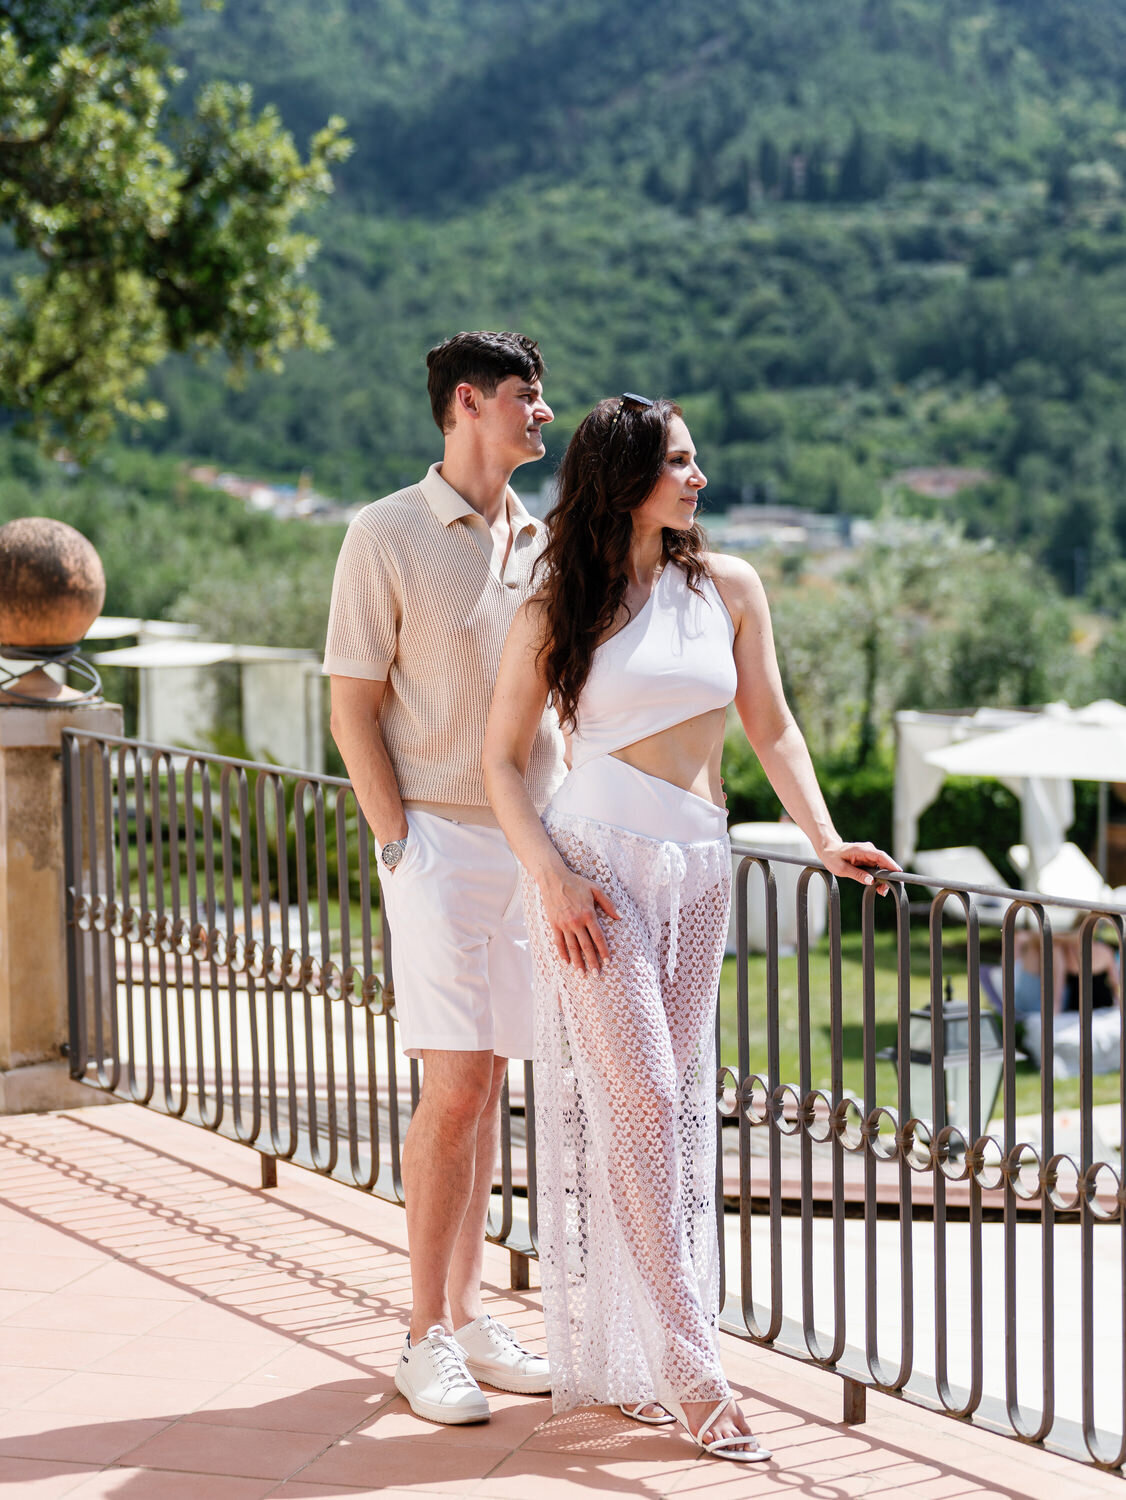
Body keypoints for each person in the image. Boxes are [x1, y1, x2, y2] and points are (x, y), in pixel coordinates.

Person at [483, 394, 898, 1463]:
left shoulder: (728, 586)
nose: (698, 476)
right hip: (593, 871)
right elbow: (499, 765)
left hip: (700, 866)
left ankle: (641, 1350)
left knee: (672, 1114)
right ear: (624, 475)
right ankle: (690, 1363)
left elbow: (770, 722)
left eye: (695, 458)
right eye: (677, 461)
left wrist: (821, 835)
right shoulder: (557, 604)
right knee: (647, 1102)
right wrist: (552, 879)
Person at [324, 331, 566, 1425]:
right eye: (527, 396)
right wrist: (397, 842)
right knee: (456, 1087)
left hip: (532, 846)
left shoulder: (544, 539)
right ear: (467, 403)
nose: (542, 413)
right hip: (435, 844)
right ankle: (423, 1333)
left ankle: (466, 1319)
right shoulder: (383, 531)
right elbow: (350, 705)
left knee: (488, 1086)